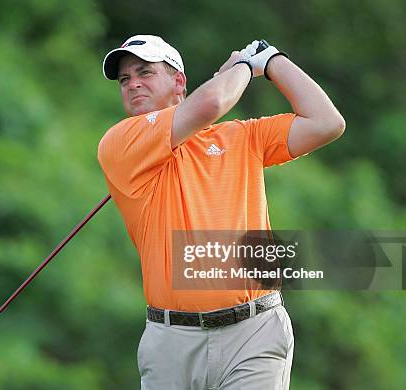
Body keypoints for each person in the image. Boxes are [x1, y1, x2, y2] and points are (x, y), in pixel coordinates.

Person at [97, 35, 345, 390]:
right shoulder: (120, 143)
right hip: (171, 343)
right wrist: (246, 64)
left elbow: (327, 122)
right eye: (125, 79)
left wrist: (272, 60)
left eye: (144, 72)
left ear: (178, 82)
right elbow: (212, 102)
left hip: (254, 332)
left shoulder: (241, 137)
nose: (133, 83)